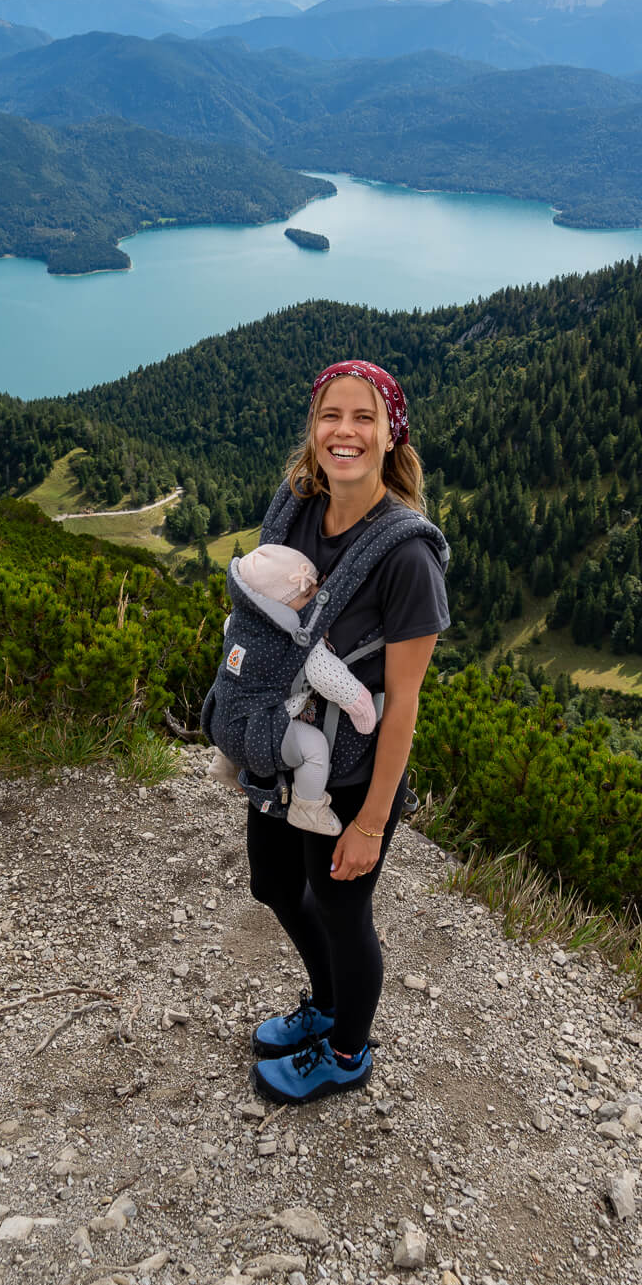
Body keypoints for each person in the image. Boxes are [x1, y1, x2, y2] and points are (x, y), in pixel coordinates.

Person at [243, 360, 449, 1106]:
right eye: (332, 415)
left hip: (354, 771)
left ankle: (347, 1050)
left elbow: (403, 703)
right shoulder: (294, 505)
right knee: (272, 880)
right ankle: (326, 1002)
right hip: (280, 748)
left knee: (339, 907)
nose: (346, 432)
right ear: (314, 426)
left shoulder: (408, 554)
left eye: (365, 417)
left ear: (392, 432)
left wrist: (369, 822)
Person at [213, 540, 378, 837]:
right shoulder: (295, 641)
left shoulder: (236, 621)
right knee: (314, 748)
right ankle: (308, 808)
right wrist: (362, 705)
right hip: (259, 729)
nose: (316, 596)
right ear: (277, 604)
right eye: (306, 592)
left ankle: (226, 767)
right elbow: (328, 676)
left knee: (238, 718)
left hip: (220, 718)